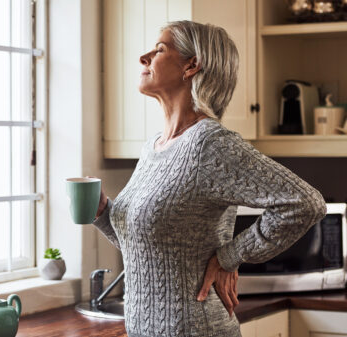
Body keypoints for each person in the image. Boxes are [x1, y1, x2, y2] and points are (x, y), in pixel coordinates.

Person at [92, 20, 327, 337]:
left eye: (159, 50)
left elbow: (305, 203)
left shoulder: (210, 144)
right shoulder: (153, 148)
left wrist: (229, 257)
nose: (143, 57)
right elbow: (149, 249)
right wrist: (105, 215)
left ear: (192, 65)